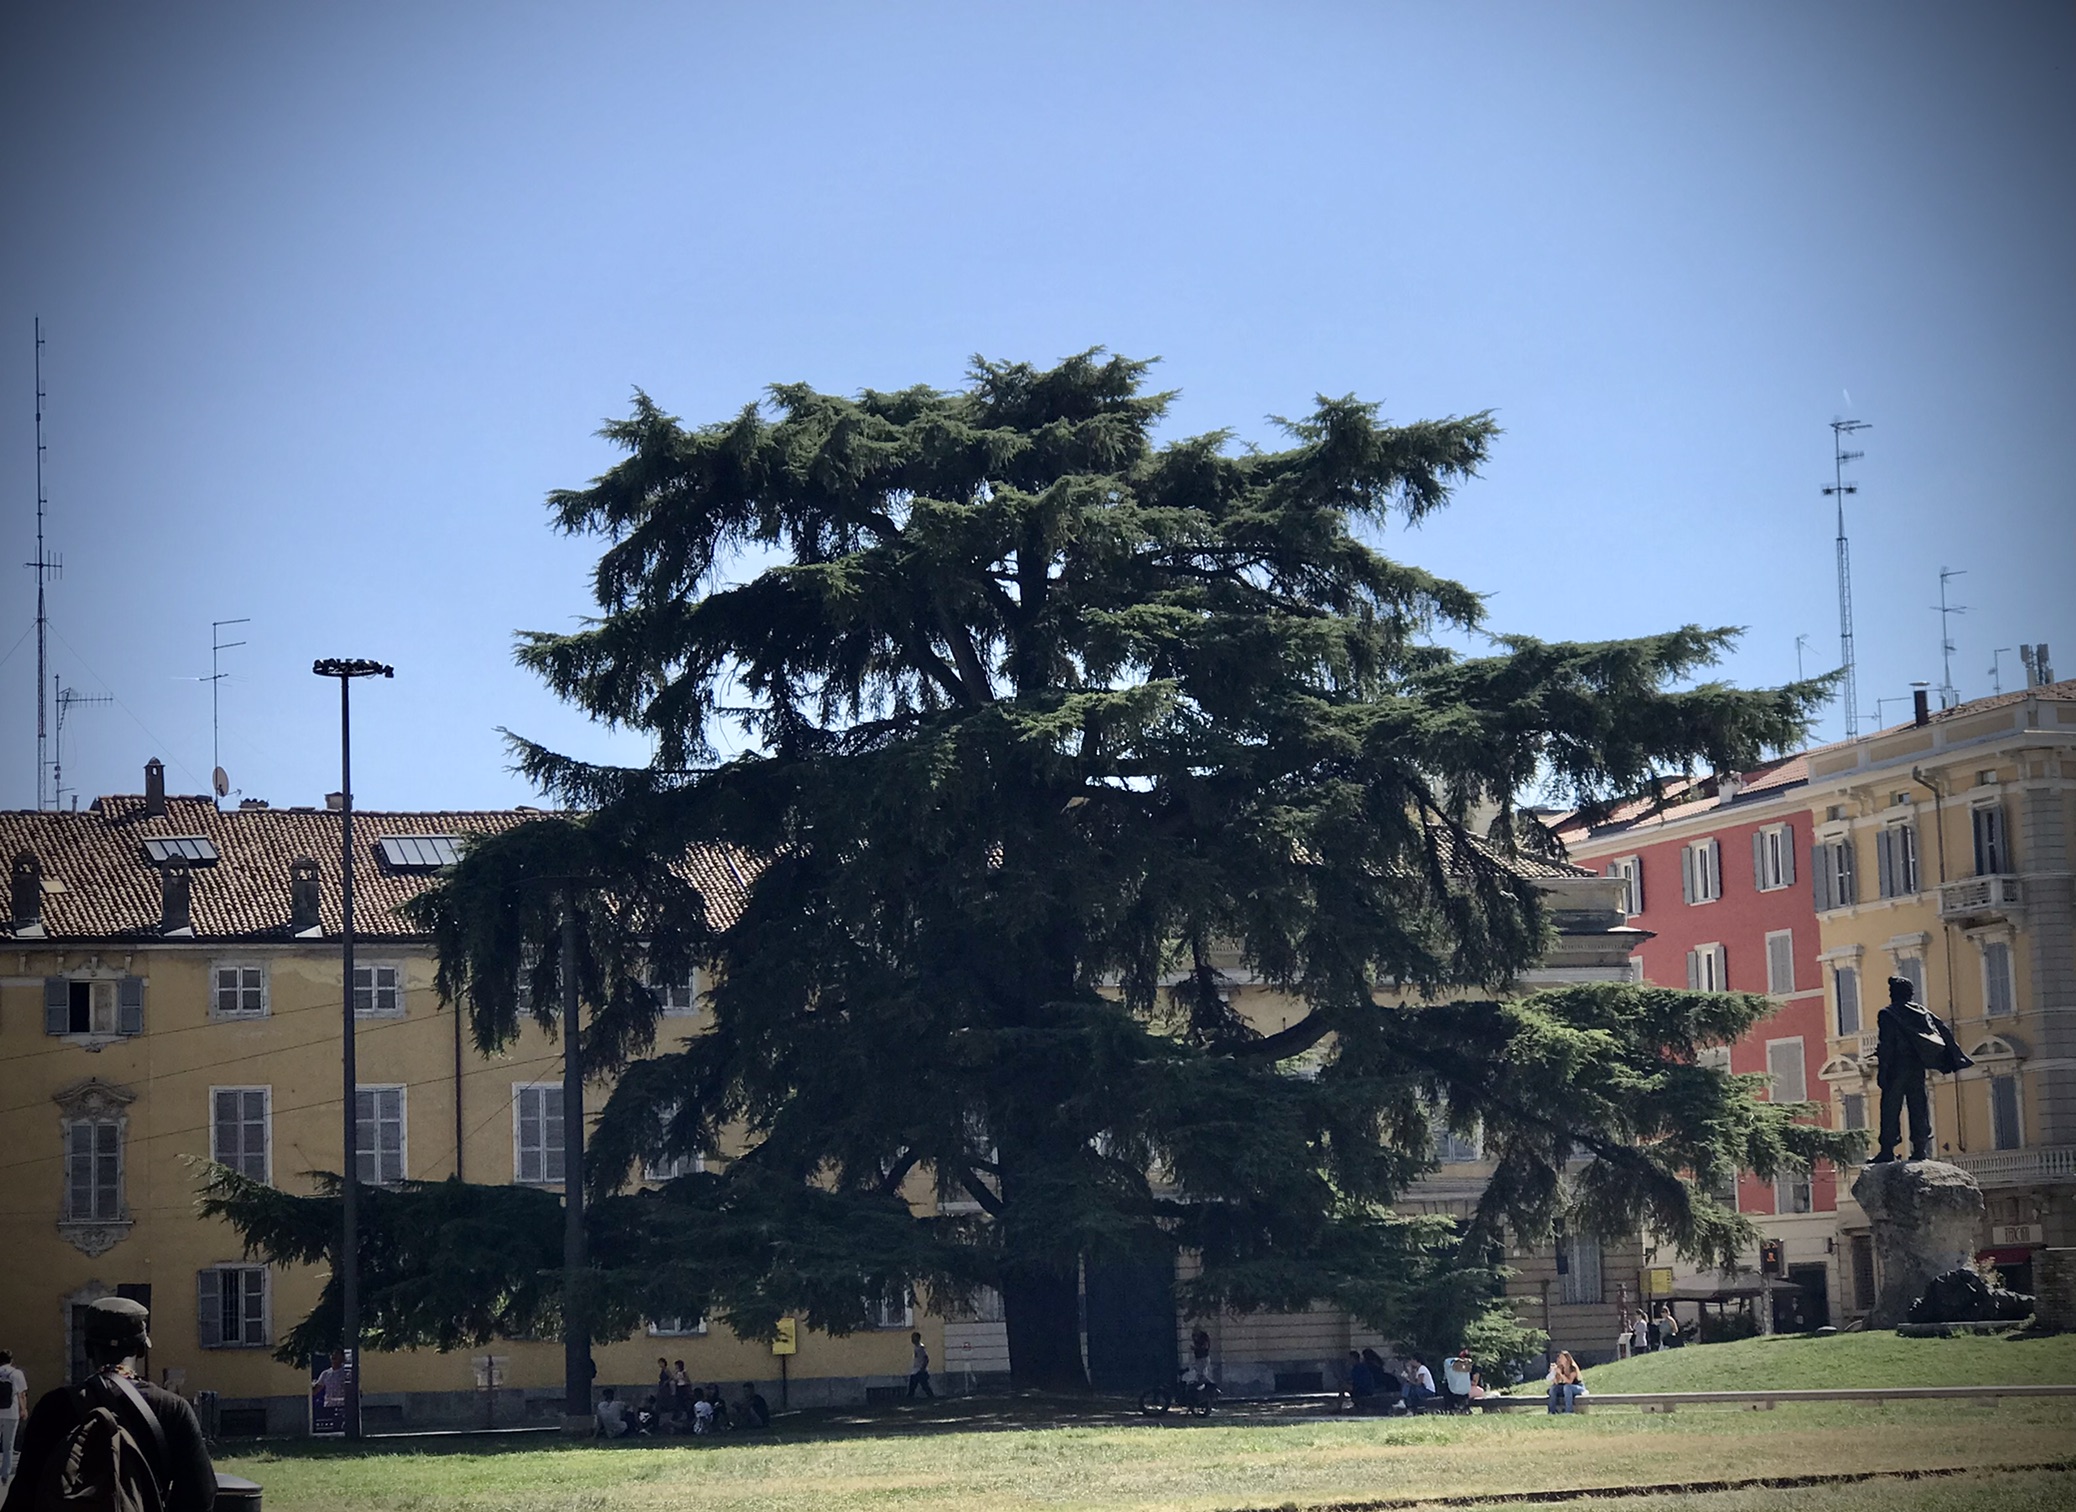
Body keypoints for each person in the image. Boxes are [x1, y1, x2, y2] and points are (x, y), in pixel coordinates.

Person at [1, 1296, 216, 1512]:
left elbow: (23, 1494)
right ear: (142, 1349)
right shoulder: (172, 1409)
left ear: (87, 1349)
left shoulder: (53, 1406)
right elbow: (200, 1494)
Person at [1873, 976, 1970, 1163]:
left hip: (1896, 1067)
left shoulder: (1887, 1014)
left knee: (1890, 1107)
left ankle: (1887, 1149)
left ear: (1894, 993)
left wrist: (1882, 1070)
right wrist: (1954, 1055)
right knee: (1918, 1106)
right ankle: (1920, 1148)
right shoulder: (1922, 1012)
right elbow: (1943, 1029)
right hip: (1917, 1066)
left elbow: (1887, 1045)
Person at [0, 1350, 24, 1487]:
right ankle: (5, 1475)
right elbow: (21, 1394)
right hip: (11, 1411)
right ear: (11, 1360)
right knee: (8, 1445)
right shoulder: (16, 1373)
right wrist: (23, 1409)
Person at [908, 1331, 934, 1399]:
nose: (912, 1339)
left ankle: (931, 1397)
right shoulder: (916, 1347)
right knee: (920, 1385)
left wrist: (922, 1369)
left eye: (914, 1338)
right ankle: (931, 1397)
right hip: (916, 1370)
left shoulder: (920, 1347)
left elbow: (926, 1358)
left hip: (919, 1370)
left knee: (922, 1386)